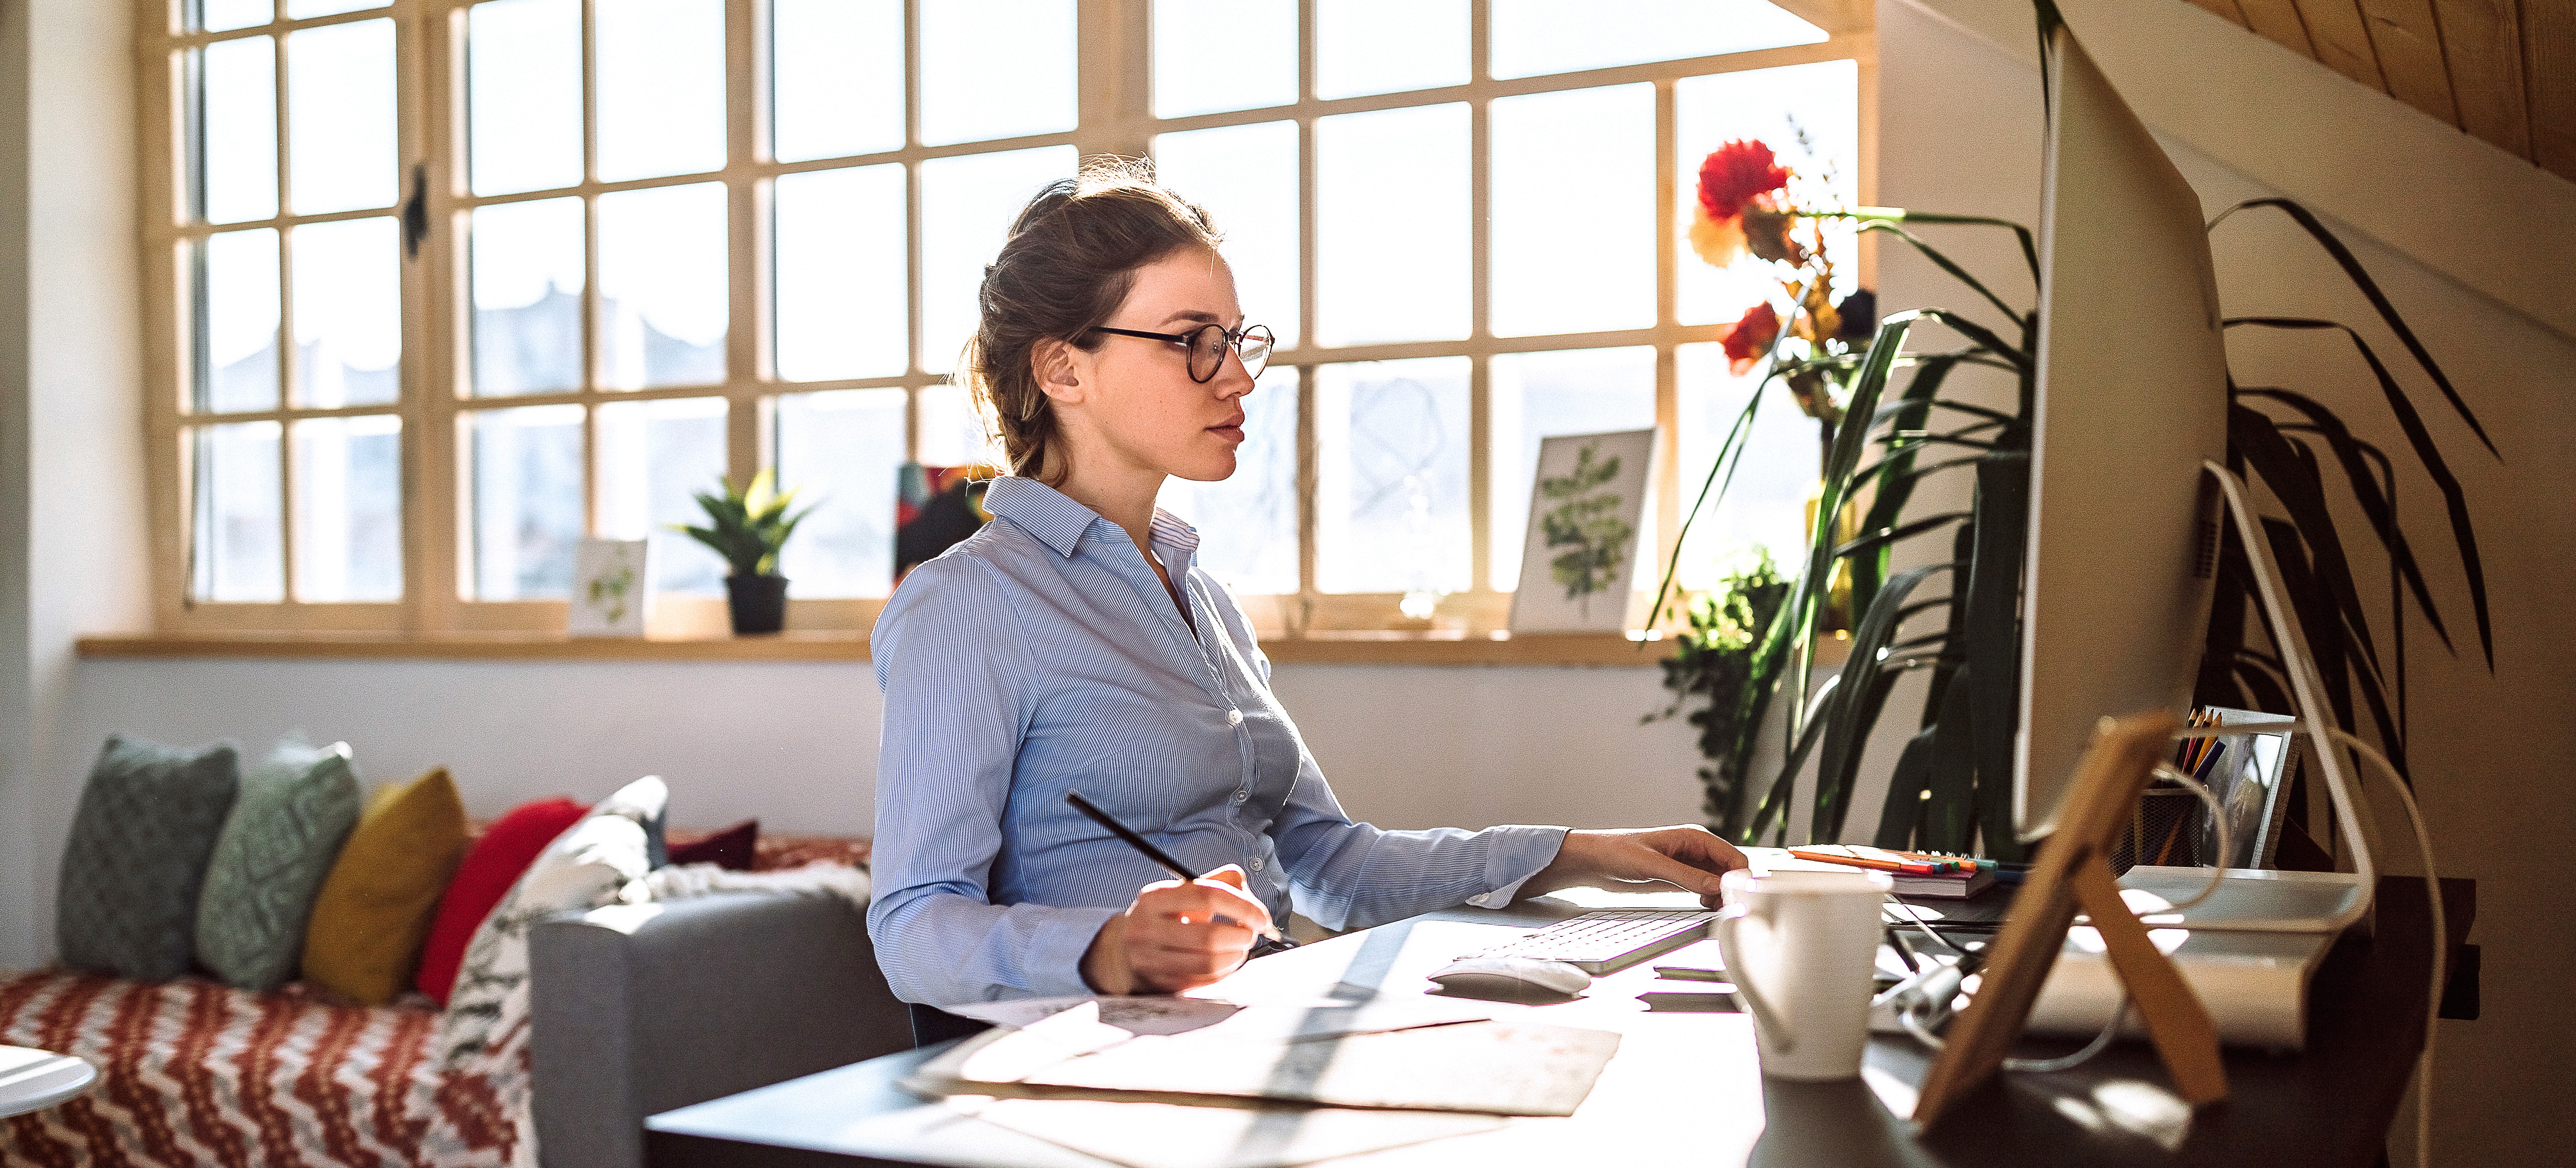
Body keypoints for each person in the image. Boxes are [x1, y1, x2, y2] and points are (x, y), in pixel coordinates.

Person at [867, 160, 1746, 1018]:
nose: (1240, 375)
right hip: (1095, 1082)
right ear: (1064, 371)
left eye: (1238, 339)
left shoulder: (1200, 596)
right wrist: (1106, 947)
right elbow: (912, 926)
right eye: (1192, 342)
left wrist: (1579, 853)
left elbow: (1335, 861)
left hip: (1257, 1033)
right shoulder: (967, 605)